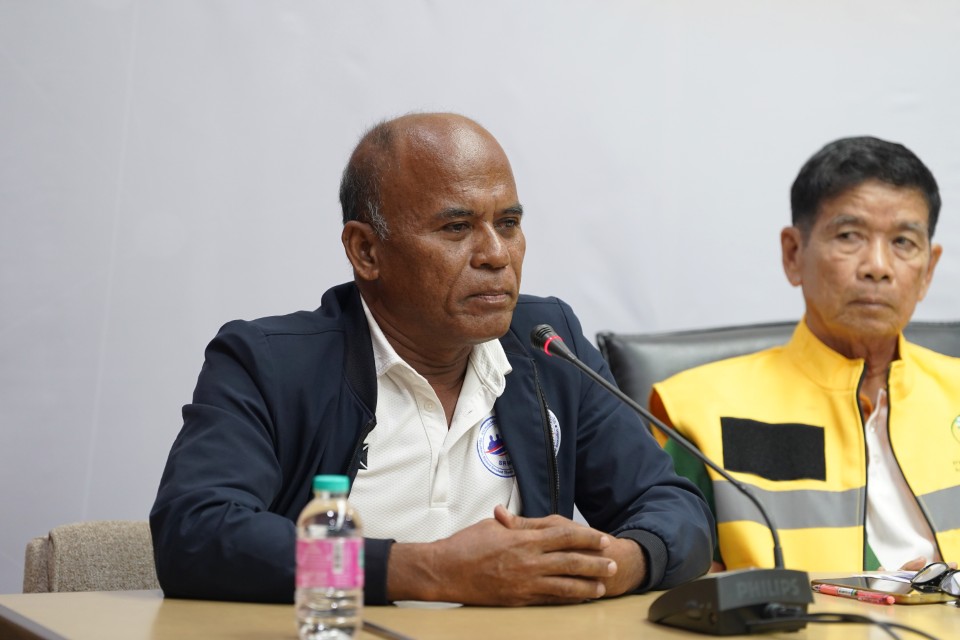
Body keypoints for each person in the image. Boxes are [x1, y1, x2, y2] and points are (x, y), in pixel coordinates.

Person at [151, 112, 714, 605]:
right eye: (457, 228)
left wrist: (616, 566)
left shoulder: (548, 344)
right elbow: (195, 534)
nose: (496, 255)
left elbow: (673, 509)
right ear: (366, 251)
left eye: (509, 224)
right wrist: (428, 571)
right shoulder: (270, 364)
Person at [650, 136, 960, 574]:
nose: (877, 266)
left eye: (903, 242)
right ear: (793, 254)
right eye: (850, 236)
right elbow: (678, 581)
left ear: (928, 270)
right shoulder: (700, 412)